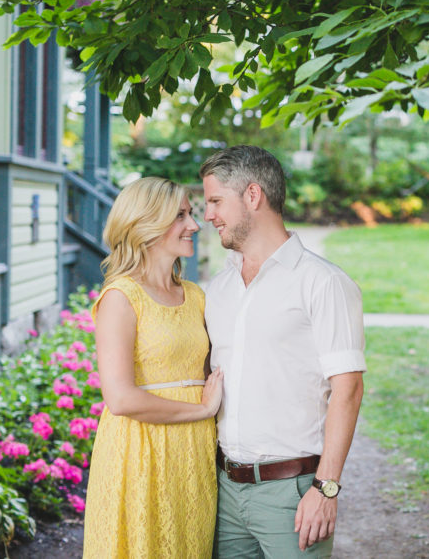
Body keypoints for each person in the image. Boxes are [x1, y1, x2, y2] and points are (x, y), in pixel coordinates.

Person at [201, 145, 365, 558]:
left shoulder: (322, 283)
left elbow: (347, 390)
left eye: (216, 201)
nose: (208, 215)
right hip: (223, 492)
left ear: (252, 196)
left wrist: (325, 490)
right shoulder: (216, 290)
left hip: (293, 495)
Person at [84, 177, 224, 559]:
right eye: (180, 215)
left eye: (191, 214)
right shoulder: (121, 297)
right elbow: (121, 398)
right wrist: (201, 410)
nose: (195, 225)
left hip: (192, 451)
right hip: (139, 451)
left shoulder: (195, 296)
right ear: (146, 224)